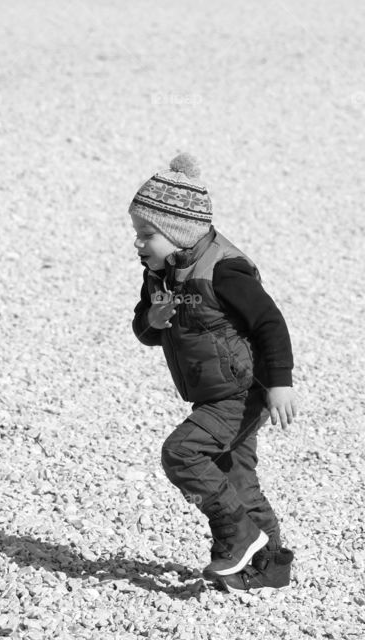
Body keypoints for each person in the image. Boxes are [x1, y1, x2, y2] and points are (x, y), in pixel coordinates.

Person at [129, 152, 297, 590]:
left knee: (182, 453)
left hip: (243, 392)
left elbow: (269, 323)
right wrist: (155, 320)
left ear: (179, 232)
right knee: (238, 480)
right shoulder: (161, 274)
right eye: (137, 233)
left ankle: (237, 534)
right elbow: (144, 330)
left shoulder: (224, 271)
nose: (138, 244)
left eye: (148, 234)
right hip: (213, 392)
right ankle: (270, 566)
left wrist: (280, 383)